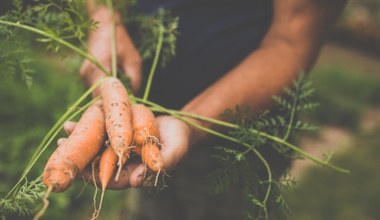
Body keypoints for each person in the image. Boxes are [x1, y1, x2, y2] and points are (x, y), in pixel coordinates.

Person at [71, 0, 347, 219]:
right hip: (147, 135)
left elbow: (292, 42)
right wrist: (106, 20)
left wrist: (189, 124)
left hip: (237, 144)